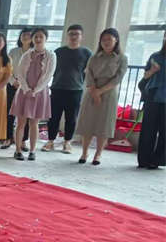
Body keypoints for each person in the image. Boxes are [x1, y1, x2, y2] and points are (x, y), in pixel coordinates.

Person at [74, 28, 128, 166]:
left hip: (109, 93)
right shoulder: (94, 57)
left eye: (109, 39)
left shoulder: (122, 58)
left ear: (116, 40)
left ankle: (98, 154)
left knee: (103, 126)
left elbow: (118, 78)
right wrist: (94, 91)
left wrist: (100, 91)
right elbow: (89, 74)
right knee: (87, 123)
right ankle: (84, 152)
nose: (106, 42)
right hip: (91, 91)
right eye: (103, 40)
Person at [43, 24, 92, 154]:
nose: (73, 37)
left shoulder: (86, 53)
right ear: (67, 36)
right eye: (71, 34)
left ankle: (67, 142)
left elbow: (89, 72)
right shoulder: (58, 52)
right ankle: (50, 141)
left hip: (75, 90)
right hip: (57, 88)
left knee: (71, 118)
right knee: (53, 117)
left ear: (81, 36)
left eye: (77, 34)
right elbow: (50, 70)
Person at [10, 28, 56, 161]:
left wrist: (35, 90)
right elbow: (20, 73)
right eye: (36, 37)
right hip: (24, 91)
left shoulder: (51, 55)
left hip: (40, 92)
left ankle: (32, 150)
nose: (38, 39)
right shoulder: (27, 55)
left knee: (34, 123)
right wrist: (26, 89)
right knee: (20, 122)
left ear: (46, 39)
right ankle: (18, 150)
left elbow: (48, 75)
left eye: (41, 36)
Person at [137, 30, 166, 169]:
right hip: (153, 95)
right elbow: (146, 76)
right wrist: (153, 70)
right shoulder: (155, 56)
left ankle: (157, 160)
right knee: (148, 130)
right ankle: (144, 160)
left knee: (164, 131)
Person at [4, 29, 33, 150]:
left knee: (26, 114)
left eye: (28, 35)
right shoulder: (13, 51)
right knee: (9, 112)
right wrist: (12, 81)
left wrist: (25, 84)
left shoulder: (34, 52)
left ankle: (23, 140)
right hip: (13, 85)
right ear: (20, 37)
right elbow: (7, 69)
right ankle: (8, 138)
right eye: (23, 35)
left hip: (28, 87)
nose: (25, 37)